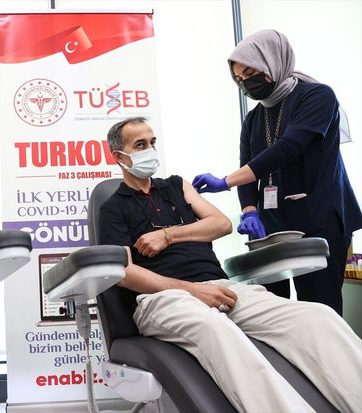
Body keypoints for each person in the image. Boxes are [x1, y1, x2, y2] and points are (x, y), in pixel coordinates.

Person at [101, 117, 362, 412]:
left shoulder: (176, 186)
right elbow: (124, 272)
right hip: (164, 299)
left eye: (152, 143)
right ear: (119, 156)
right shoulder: (113, 208)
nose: (150, 150)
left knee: (318, 317)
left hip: (221, 288)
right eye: (140, 145)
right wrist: (192, 291)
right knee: (219, 330)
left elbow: (221, 224)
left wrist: (168, 235)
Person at [192, 29, 362, 315]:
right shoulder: (254, 118)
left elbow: (288, 148)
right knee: (274, 310)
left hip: (319, 220)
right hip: (273, 227)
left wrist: (225, 182)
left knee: (319, 308)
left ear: (273, 61)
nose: (246, 83)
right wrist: (249, 210)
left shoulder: (317, 96)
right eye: (239, 79)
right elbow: (248, 165)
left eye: (250, 73)